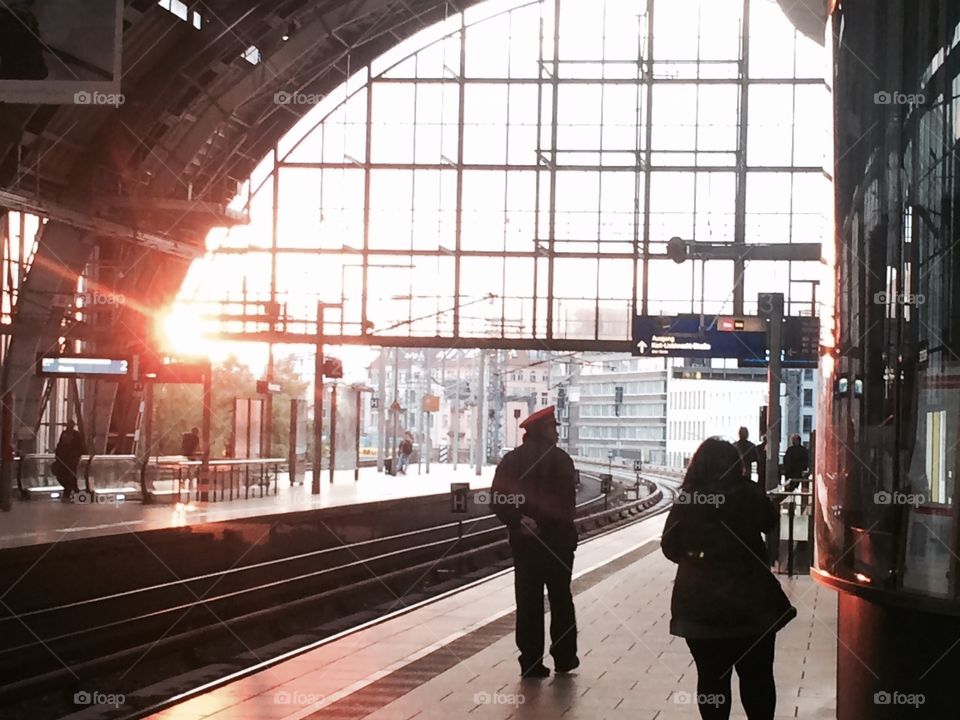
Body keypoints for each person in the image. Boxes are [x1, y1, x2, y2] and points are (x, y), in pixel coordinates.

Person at [662, 437, 796, 720]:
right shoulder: (749, 493)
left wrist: (696, 559)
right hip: (752, 606)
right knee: (757, 678)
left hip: (700, 607)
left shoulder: (689, 498)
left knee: (712, 681)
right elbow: (771, 522)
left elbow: (669, 546)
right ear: (737, 464)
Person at [491, 405, 578, 678]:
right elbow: (568, 505)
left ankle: (530, 662)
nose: (556, 432)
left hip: (526, 544)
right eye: (554, 427)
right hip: (558, 543)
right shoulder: (562, 460)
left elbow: (497, 499)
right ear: (544, 429)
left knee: (528, 602)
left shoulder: (511, 461)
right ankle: (564, 658)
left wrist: (519, 521)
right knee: (561, 599)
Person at [53, 420, 85, 502]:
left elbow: (79, 448)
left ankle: (68, 494)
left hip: (69, 460)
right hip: (66, 460)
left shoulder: (71, 435)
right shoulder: (68, 434)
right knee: (69, 477)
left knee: (68, 477)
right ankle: (77, 495)